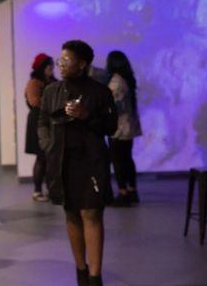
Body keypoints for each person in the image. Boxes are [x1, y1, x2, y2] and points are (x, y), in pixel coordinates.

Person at [38, 40, 117, 286]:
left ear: (82, 64)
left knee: (92, 214)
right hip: (63, 161)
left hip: (92, 161)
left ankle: (95, 276)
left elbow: (111, 128)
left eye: (67, 60)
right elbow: (41, 122)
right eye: (60, 59)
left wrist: (87, 116)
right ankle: (80, 271)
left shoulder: (100, 92)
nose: (61, 63)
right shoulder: (52, 91)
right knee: (71, 214)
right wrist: (47, 144)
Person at [106, 51, 142, 207]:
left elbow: (114, 106)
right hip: (129, 126)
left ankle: (123, 193)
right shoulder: (127, 80)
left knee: (118, 160)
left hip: (118, 128)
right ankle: (132, 190)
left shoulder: (116, 82)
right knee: (127, 159)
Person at [24, 53, 56, 202]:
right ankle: (37, 190)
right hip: (38, 122)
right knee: (41, 157)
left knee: (50, 158)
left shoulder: (53, 81)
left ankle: (51, 189)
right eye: (49, 66)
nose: (52, 69)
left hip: (50, 122)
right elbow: (35, 102)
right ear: (42, 67)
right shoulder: (34, 83)